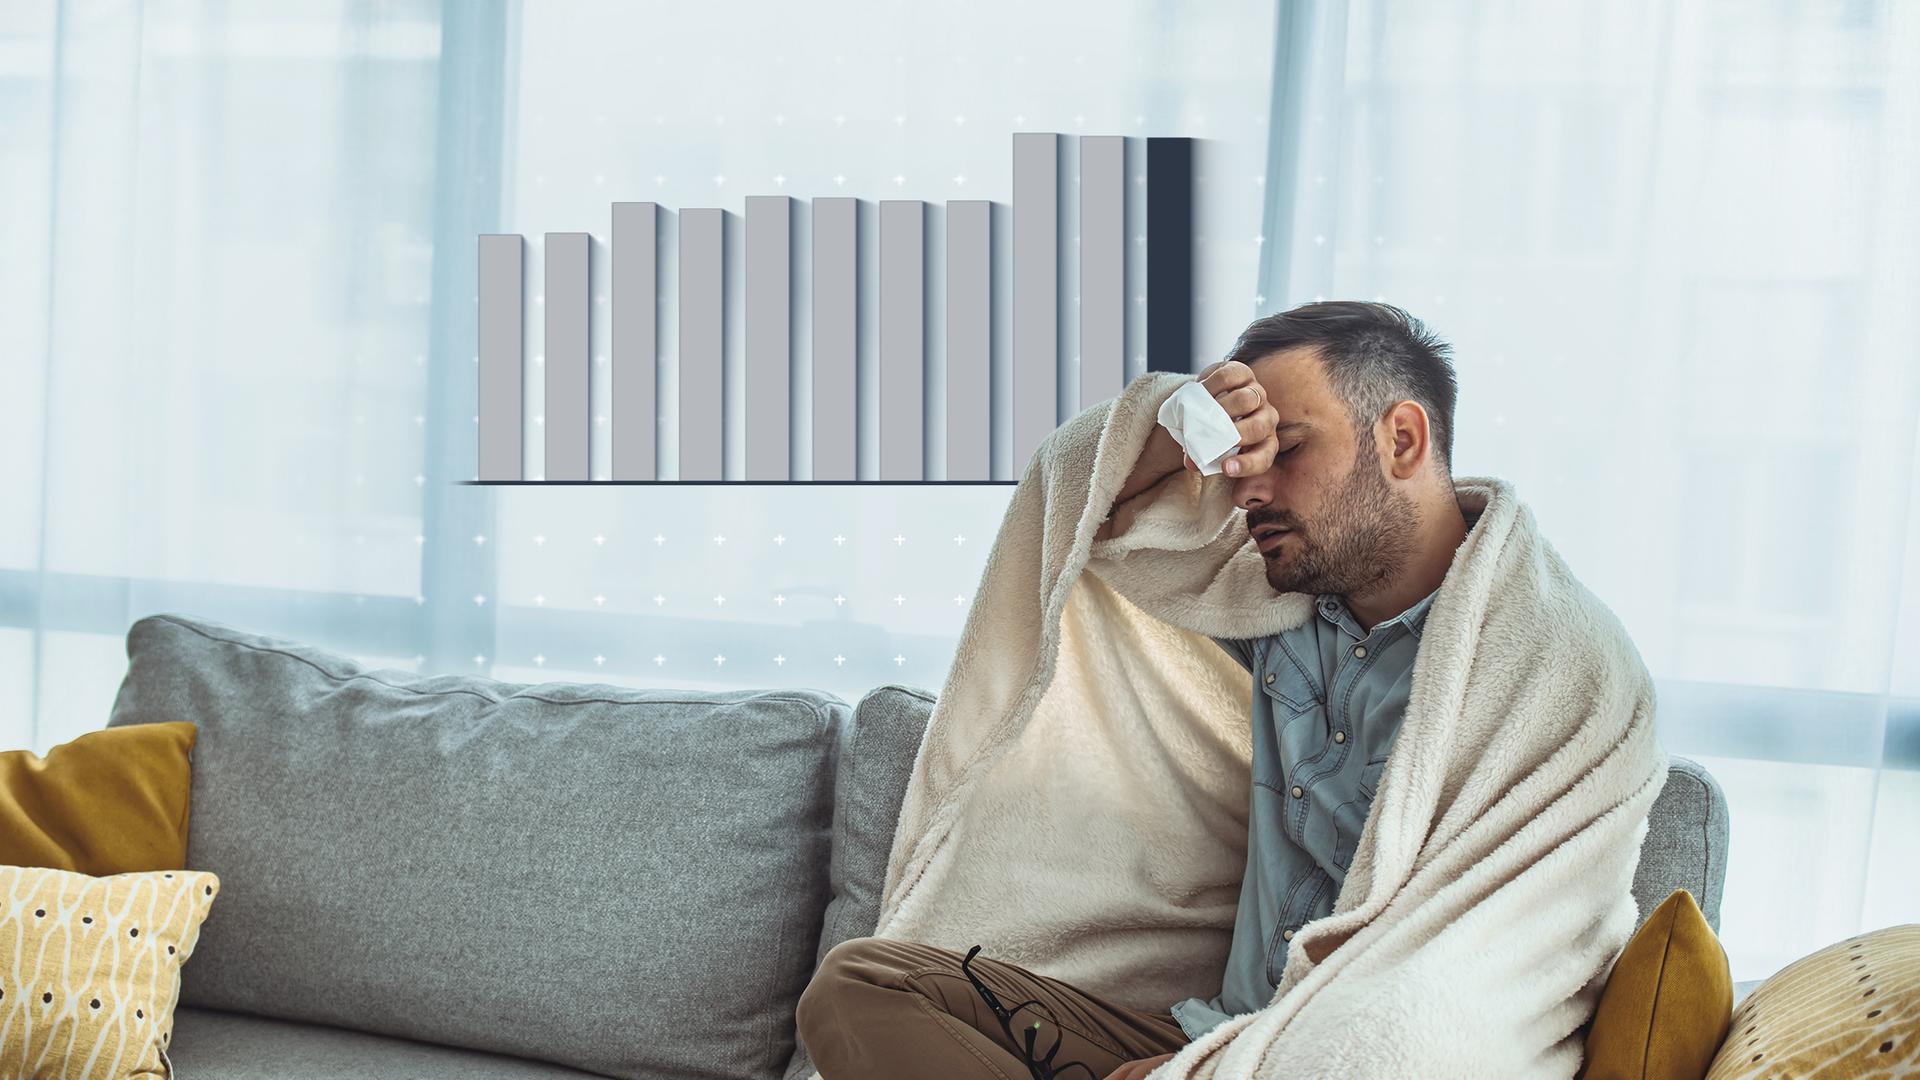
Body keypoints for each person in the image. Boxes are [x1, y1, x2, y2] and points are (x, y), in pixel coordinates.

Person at [797, 301, 1477, 1080]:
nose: (1250, 491)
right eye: (1241, 462)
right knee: (862, 984)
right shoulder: (1281, 605)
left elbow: (1466, 982)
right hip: (1199, 1033)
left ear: (1402, 439)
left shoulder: (1518, 664)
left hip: (1328, 1057)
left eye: (1286, 448)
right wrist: (1181, 423)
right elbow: (1085, 512)